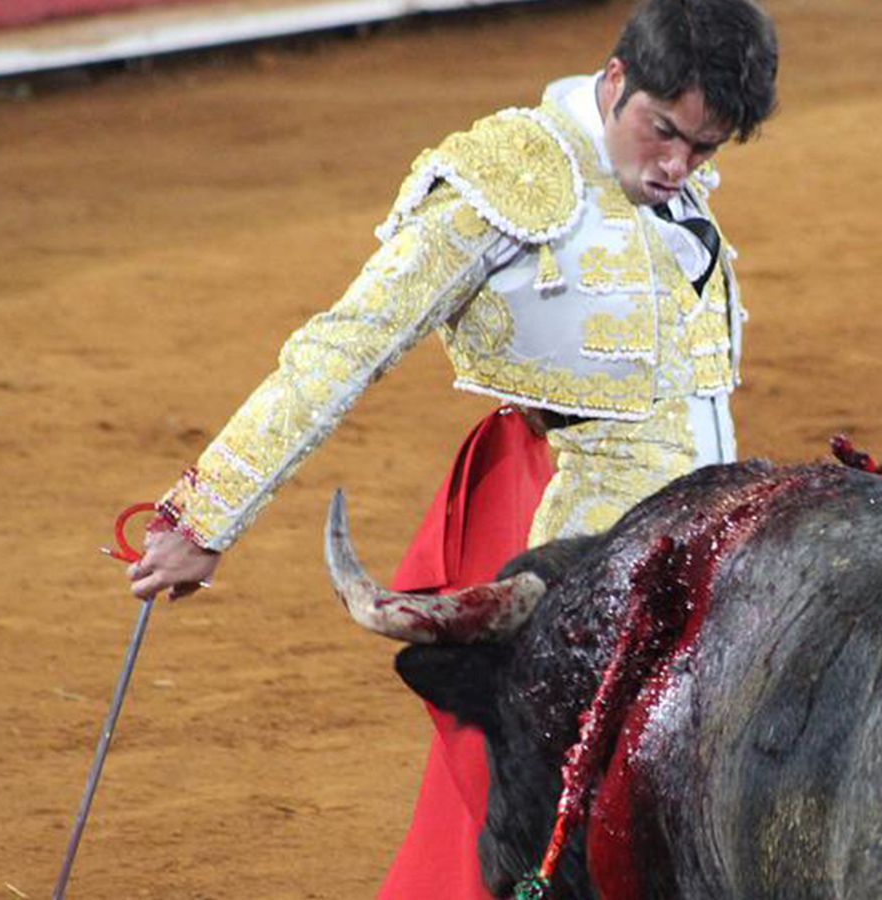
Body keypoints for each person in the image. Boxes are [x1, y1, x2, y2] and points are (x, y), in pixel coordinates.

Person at [123, 0, 778, 894]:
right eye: (664, 132)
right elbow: (347, 345)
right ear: (616, 78)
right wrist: (206, 515)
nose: (676, 166)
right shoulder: (505, 181)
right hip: (589, 580)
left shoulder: (672, 193)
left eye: (703, 150)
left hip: (716, 557)